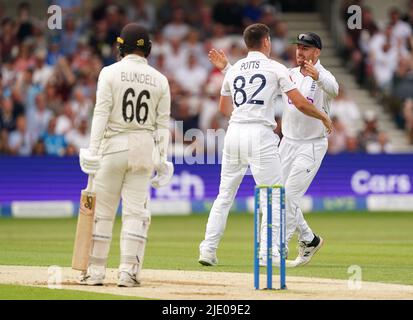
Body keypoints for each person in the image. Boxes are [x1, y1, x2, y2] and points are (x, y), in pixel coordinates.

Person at [198, 24, 332, 267]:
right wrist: (323, 116)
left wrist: (229, 73)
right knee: (275, 197)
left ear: (246, 43)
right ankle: (268, 253)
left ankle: (208, 249)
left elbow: (223, 109)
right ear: (267, 42)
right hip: (260, 135)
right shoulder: (276, 68)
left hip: (234, 134)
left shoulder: (235, 68)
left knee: (224, 196)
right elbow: (301, 104)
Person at [78, 23, 173, 287]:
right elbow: (161, 124)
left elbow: (101, 113)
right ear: (149, 50)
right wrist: (162, 159)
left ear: (120, 47)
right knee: (136, 214)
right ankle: (128, 272)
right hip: (143, 148)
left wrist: (92, 150)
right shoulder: (160, 79)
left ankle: (94, 272)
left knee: (103, 213)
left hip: (112, 146)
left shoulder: (109, 73)